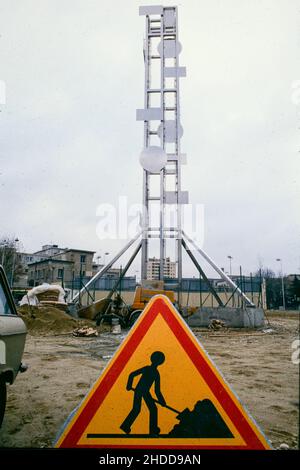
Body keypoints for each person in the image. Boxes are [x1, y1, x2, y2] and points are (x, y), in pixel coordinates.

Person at [120, 351, 166, 435]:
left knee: (150, 409)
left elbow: (157, 390)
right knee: (138, 409)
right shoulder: (154, 372)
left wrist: (162, 401)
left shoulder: (151, 371)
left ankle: (152, 429)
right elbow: (132, 374)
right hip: (139, 390)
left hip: (144, 392)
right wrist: (129, 385)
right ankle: (126, 426)